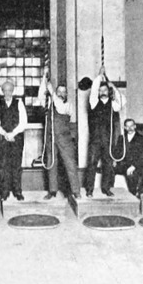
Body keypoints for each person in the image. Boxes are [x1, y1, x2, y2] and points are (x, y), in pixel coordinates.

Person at [37, 68, 81, 199]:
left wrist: (52, 92)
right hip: (50, 137)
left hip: (64, 139)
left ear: (66, 94)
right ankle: (52, 190)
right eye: (59, 91)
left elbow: (60, 107)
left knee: (70, 164)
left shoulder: (67, 105)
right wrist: (44, 78)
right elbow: (40, 96)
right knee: (51, 163)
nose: (61, 94)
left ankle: (76, 190)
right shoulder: (50, 103)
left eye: (63, 92)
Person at [85, 66, 126, 198]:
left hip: (108, 140)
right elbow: (93, 91)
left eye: (105, 90)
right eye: (100, 90)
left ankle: (106, 188)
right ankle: (89, 190)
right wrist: (99, 76)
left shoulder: (113, 104)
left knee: (108, 165)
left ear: (108, 91)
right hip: (95, 140)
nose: (102, 92)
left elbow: (122, 100)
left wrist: (111, 85)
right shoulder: (94, 103)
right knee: (92, 164)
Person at [0, 80, 28, 201]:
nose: (7, 93)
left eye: (10, 90)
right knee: (4, 165)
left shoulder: (19, 103)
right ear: (2, 91)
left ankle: (18, 191)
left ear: (13, 91)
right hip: (4, 139)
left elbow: (23, 122)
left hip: (17, 138)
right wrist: (5, 134)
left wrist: (13, 133)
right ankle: (4, 192)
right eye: (5, 90)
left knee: (16, 165)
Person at [112, 119, 143, 197]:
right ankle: (111, 192)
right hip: (124, 164)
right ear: (124, 127)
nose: (130, 128)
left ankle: (134, 195)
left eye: (131, 126)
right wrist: (114, 160)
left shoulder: (142, 139)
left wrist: (134, 166)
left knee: (132, 175)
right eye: (127, 126)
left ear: (135, 126)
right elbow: (117, 151)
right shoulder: (121, 138)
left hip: (137, 165)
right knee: (109, 169)